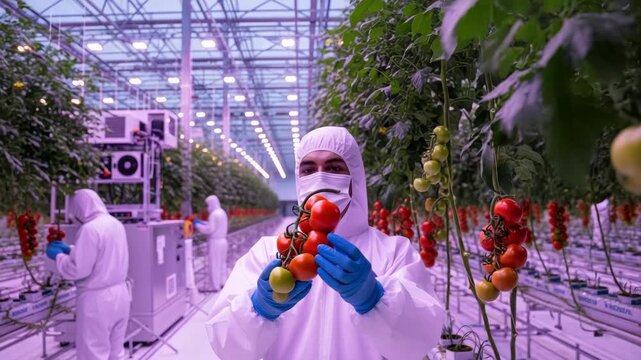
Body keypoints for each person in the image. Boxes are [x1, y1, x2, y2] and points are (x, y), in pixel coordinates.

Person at [206, 126, 444, 359]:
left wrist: (376, 298)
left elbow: (419, 341)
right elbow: (226, 346)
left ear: (355, 177)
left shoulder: (394, 252)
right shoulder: (270, 251)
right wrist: (258, 308)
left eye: (334, 167)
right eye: (308, 170)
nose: (320, 177)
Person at [46, 189, 131, 360]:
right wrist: (70, 249)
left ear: (79, 208)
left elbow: (79, 269)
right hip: (121, 295)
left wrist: (59, 257)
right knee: (116, 353)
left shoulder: (89, 229)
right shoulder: (115, 224)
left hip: (97, 301)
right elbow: (103, 255)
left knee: (93, 353)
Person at [195, 195, 229, 291]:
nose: (207, 207)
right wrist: (203, 223)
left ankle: (214, 286)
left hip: (215, 242)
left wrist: (198, 226)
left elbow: (210, 229)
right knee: (222, 263)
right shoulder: (222, 212)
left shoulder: (213, 214)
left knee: (214, 264)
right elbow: (215, 225)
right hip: (223, 241)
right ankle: (222, 282)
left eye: (208, 205)